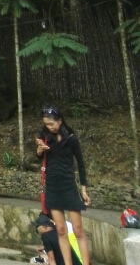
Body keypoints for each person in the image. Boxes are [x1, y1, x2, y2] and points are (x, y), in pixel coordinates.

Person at [36, 106, 91, 265]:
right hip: (52, 187)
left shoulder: (72, 139)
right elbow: (39, 158)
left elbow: (81, 165)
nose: (49, 127)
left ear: (60, 120)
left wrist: (84, 190)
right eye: (46, 124)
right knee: (60, 230)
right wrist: (39, 150)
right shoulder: (45, 138)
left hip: (69, 186)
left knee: (78, 230)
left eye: (52, 124)